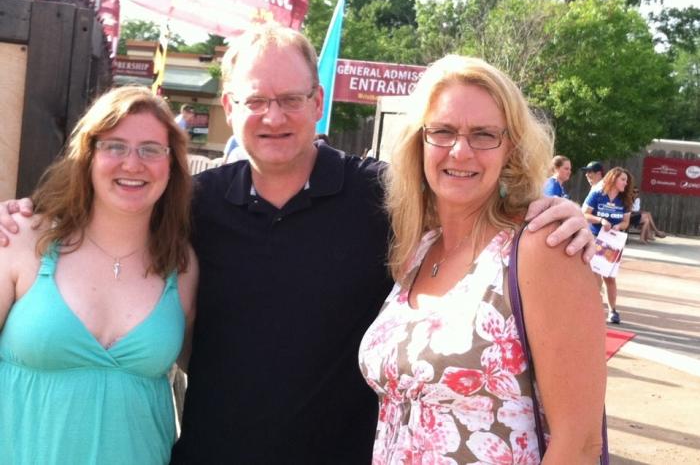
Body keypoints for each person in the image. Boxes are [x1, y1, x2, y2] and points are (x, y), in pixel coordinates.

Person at [0, 25, 595, 464]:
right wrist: (30, 216)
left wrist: (553, 211)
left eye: (290, 99)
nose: (274, 116)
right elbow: (113, 203)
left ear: (318, 103)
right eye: (257, 100)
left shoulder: (383, 199)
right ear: (230, 108)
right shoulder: (193, 205)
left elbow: (469, 196)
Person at [358, 55, 606, 463]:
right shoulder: (418, 248)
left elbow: (579, 443)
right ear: (419, 143)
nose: (460, 151)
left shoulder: (541, 248)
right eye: (442, 131)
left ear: (511, 149)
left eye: (484, 135)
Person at [0, 86, 198, 464]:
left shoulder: (183, 266)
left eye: (151, 149)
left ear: (171, 164)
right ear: (88, 155)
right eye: (115, 146)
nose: (132, 164)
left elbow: (211, 374)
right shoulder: (22, 239)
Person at [582, 167, 633, 324]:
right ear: (613, 179)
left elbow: (626, 222)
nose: (625, 183)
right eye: (623, 179)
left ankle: (613, 310)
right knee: (595, 274)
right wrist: (600, 220)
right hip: (595, 239)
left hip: (613, 242)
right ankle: (594, 308)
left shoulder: (625, 200)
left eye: (626, 180)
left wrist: (619, 226)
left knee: (609, 276)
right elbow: (584, 213)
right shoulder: (597, 194)